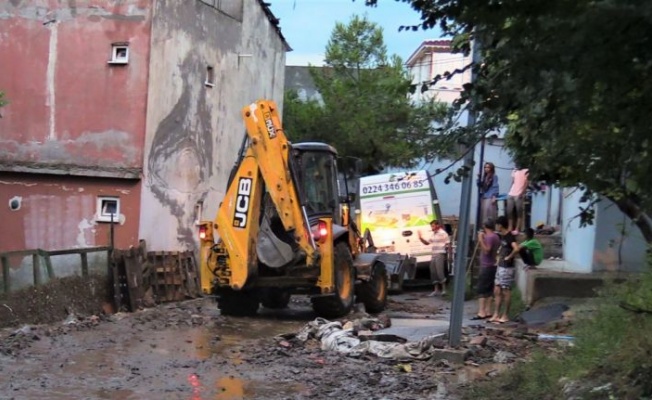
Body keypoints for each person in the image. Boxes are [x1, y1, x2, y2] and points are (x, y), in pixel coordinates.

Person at [489, 215, 519, 324]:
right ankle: (496, 313)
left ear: (500, 225)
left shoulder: (510, 237)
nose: (496, 227)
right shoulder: (502, 237)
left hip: (507, 267)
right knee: (497, 289)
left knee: (506, 290)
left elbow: (516, 248)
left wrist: (509, 257)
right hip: (500, 266)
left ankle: (505, 314)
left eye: (497, 224)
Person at [471, 218, 501, 320]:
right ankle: (488, 311)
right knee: (489, 289)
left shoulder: (489, 237)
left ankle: (481, 312)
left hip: (487, 265)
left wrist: (481, 240)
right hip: (493, 265)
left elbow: (487, 250)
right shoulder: (496, 236)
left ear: (485, 227)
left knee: (481, 290)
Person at [418, 220, 450, 296]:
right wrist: (420, 238)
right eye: (431, 226)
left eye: (433, 226)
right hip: (434, 254)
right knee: (433, 271)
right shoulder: (433, 234)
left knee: (439, 271)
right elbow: (427, 243)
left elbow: (448, 244)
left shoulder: (443, 233)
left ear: (437, 225)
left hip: (440, 253)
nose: (432, 228)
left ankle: (444, 289)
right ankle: (436, 290)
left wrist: (449, 256)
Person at [506, 167, 529, 235]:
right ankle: (510, 227)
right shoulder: (514, 170)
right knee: (509, 211)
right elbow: (513, 181)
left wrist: (522, 193)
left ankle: (517, 228)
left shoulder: (526, 170)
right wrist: (509, 190)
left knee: (519, 211)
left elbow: (526, 183)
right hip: (511, 193)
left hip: (519, 194)